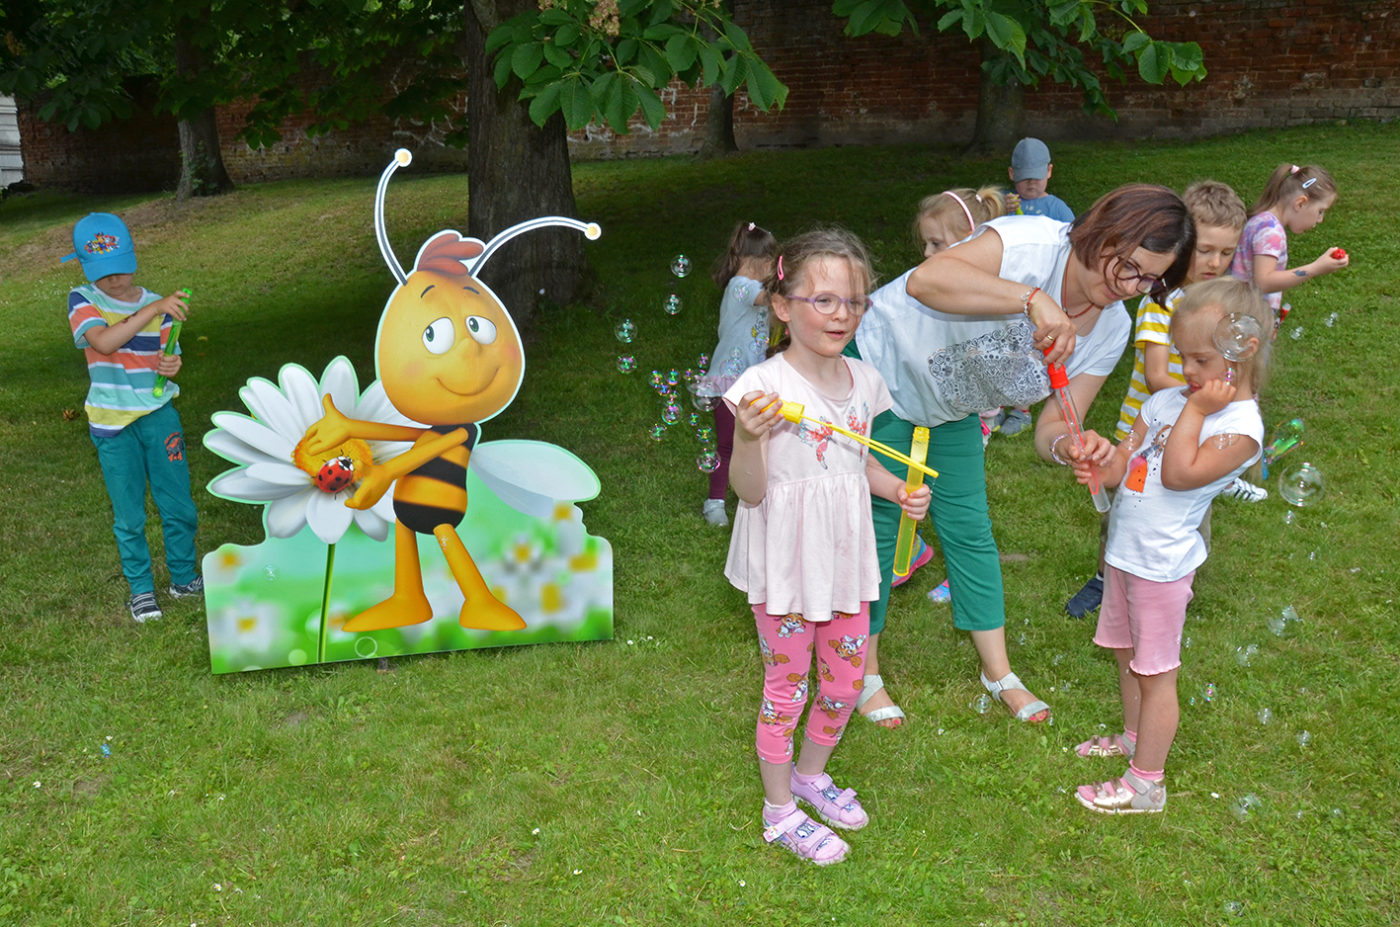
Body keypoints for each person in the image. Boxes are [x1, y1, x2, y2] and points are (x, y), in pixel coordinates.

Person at [852, 183, 1194, 729]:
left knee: (970, 528)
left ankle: (998, 672)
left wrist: (1072, 446)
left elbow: (1056, 423)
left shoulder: (1111, 327)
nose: (1133, 287)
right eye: (1129, 266)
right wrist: (1032, 298)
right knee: (880, 521)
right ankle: (864, 675)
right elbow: (926, 279)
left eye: (1151, 279)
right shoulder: (1031, 245)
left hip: (950, 407)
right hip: (878, 370)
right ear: (1101, 233)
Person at [723, 228, 930, 865]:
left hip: (843, 559)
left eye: (855, 302)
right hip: (785, 562)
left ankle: (812, 776)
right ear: (783, 306)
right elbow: (748, 491)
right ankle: (779, 810)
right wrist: (752, 440)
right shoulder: (760, 387)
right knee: (786, 687)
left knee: (843, 683)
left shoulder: (865, 383)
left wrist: (896, 488)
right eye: (824, 300)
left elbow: (853, 463)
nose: (842, 314)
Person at [1066, 278, 1268, 814]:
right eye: (1181, 356)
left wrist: (1196, 412)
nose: (1186, 371)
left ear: (1242, 350)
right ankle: (1134, 740)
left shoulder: (1241, 427)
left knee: (1156, 674)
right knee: (1126, 656)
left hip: (1162, 568)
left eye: (1199, 359)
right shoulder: (1162, 402)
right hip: (1125, 556)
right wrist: (1098, 457)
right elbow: (1122, 469)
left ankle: (1146, 783)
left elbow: (1179, 474)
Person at [1066, 180, 1248, 618]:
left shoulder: (1219, 305)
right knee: (1127, 510)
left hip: (1194, 434)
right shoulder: (1161, 302)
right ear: (1183, 246)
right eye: (1205, 250)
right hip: (1147, 435)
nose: (1215, 262)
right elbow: (1155, 374)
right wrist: (1205, 397)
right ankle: (1107, 577)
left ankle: (1175, 579)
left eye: (1226, 252)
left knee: (1191, 507)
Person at [62, 212, 202, 623]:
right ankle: (141, 589)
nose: (113, 279)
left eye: (120, 268)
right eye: (103, 272)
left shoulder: (159, 304)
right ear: (87, 269)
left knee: (178, 504)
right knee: (129, 514)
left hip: (159, 416)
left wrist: (172, 363)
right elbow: (104, 342)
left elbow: (167, 354)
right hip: (111, 422)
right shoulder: (83, 299)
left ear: (133, 258)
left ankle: (183, 578)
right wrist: (152, 310)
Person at [698, 221, 778, 527]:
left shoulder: (754, 290)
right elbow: (769, 298)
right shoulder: (741, 286)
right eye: (772, 263)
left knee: (759, 441)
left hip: (752, 380)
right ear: (756, 261)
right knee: (728, 445)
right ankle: (714, 503)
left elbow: (771, 315)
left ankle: (755, 495)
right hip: (728, 382)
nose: (773, 270)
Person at [1229, 163, 1347, 326]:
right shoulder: (1271, 231)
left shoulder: (1261, 220)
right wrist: (1315, 268)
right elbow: (1263, 282)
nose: (1320, 220)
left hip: (1239, 313)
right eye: (1320, 211)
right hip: (1248, 318)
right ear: (1300, 203)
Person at [1008, 138, 1074, 222]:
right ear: (1012, 174)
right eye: (1025, 177)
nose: (1031, 181)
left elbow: (1074, 234)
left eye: (1037, 176)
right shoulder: (1001, 202)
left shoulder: (1059, 210)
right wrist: (999, 210)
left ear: (1049, 171)